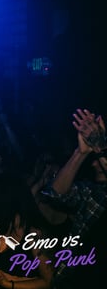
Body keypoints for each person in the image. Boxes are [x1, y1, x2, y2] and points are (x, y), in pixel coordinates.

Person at [38, 107, 107, 289]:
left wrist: (99, 146)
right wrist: (81, 152)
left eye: (98, 158)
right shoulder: (94, 193)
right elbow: (56, 194)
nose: (94, 164)